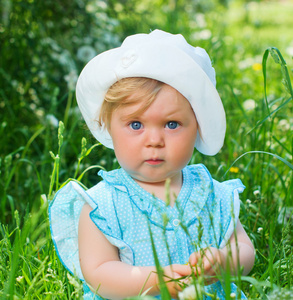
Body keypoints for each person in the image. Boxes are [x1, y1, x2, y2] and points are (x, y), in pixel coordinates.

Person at [49, 29, 255, 299]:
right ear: (109, 127)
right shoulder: (101, 205)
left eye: (172, 124)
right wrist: (158, 280)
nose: (155, 140)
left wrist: (223, 261)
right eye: (136, 125)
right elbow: (99, 273)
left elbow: (244, 249)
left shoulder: (212, 193)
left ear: (198, 128)